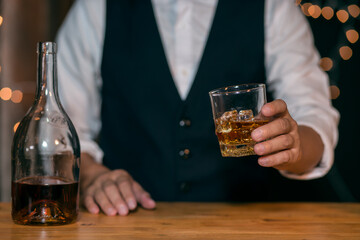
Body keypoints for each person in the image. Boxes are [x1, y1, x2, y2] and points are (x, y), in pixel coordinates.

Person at [56, 0, 339, 216]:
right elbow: (59, 128)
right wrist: (93, 176)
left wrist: (295, 144)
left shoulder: (273, 6)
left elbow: (314, 116)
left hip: (246, 227)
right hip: (127, 224)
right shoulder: (96, 7)